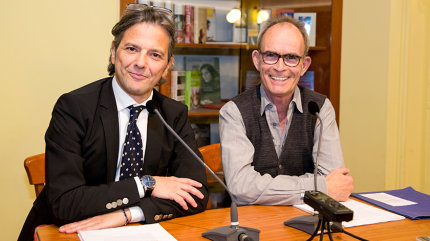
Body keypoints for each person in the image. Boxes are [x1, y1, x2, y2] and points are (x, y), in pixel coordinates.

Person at [19, 4, 208, 240]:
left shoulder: (172, 114)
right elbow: (65, 203)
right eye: (131, 49)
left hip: (137, 231)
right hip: (65, 233)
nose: (141, 62)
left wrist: (129, 214)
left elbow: (196, 194)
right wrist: (146, 184)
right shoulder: (74, 108)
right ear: (113, 52)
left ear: (167, 66)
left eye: (155, 54)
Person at [219, 16, 353, 206]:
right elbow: (241, 188)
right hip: (248, 225)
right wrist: (319, 187)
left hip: (304, 221)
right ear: (257, 60)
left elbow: (336, 180)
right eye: (271, 55)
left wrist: (268, 189)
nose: (280, 67)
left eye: (291, 58)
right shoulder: (233, 112)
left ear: (304, 65)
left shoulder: (320, 108)